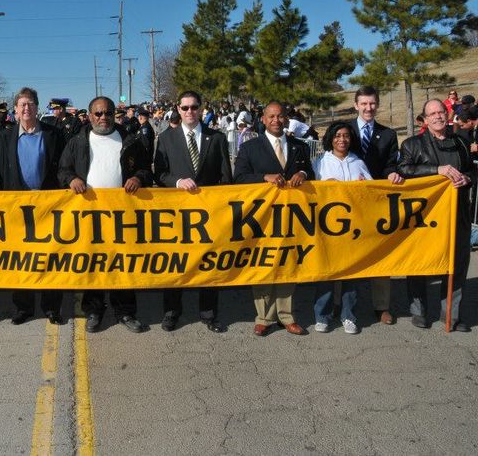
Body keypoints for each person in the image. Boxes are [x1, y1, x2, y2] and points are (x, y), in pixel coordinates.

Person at [58, 96, 152, 333]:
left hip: (123, 215)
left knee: (123, 263)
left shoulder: (130, 139)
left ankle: (125, 311)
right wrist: (72, 179)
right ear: (90, 116)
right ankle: (94, 311)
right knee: (93, 263)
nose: (103, 118)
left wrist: (137, 178)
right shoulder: (77, 141)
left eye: (108, 113)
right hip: (89, 215)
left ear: (114, 115)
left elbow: (146, 170)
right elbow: (62, 170)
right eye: (98, 114)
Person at [154, 90, 232, 333]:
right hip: (177, 216)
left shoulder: (216, 138)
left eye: (194, 107)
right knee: (176, 264)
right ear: (178, 109)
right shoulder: (166, 138)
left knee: (209, 264)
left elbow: (225, 177)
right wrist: (177, 182)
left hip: (209, 214)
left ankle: (209, 314)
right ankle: (172, 312)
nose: (190, 112)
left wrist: (219, 205)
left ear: (201, 108)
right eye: (185, 107)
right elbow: (160, 174)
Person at [233, 101, 314, 337]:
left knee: (288, 265)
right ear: (263, 119)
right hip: (261, 219)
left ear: (286, 118)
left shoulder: (300, 146)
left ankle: (287, 316)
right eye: (271, 116)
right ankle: (264, 317)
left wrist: (302, 173)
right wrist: (264, 177)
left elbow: (311, 171)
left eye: (280, 116)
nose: (276, 120)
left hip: (290, 218)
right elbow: (238, 178)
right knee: (263, 265)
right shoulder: (250, 147)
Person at [398, 99, 472, 332]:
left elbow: (472, 169)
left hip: (457, 214)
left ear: (447, 114)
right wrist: (436, 171)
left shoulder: (460, 140)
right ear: (425, 119)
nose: (438, 116)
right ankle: (419, 312)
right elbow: (404, 170)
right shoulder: (412, 144)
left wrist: (467, 178)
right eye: (433, 114)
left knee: (457, 265)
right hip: (424, 219)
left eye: (441, 111)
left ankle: (451, 314)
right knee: (421, 264)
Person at [0, 87, 66, 325]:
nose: (26, 108)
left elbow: (60, 167)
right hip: (17, 206)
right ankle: (23, 308)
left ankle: (51, 307)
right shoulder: (6, 136)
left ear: (37, 108)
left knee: (51, 257)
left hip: (48, 205)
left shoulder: (53, 134)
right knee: (21, 258)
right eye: (22, 104)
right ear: (15, 110)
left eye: (31, 104)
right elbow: (2, 169)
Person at [348, 86, 405, 325]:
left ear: (377, 104)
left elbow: (391, 164)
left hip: (377, 202)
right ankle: (344, 306)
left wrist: (393, 174)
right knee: (347, 254)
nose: (368, 108)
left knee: (381, 253)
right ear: (356, 105)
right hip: (348, 203)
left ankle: (381, 306)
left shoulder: (389, 134)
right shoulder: (344, 131)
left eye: (372, 103)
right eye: (364, 104)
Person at [311, 122, 372, 335]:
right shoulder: (319, 163)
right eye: (337, 135)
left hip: (353, 230)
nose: (342, 140)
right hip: (327, 229)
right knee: (326, 273)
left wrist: (365, 186)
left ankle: (348, 315)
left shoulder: (358, 162)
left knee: (351, 275)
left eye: (346, 135)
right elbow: (310, 194)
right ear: (331, 138)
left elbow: (373, 194)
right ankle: (322, 316)